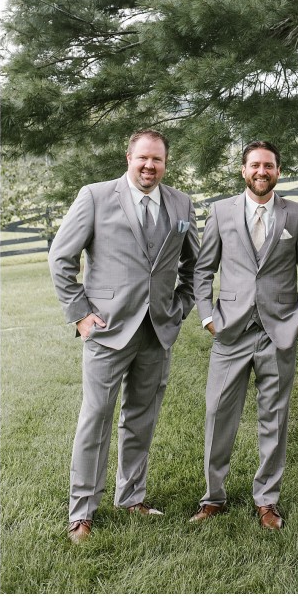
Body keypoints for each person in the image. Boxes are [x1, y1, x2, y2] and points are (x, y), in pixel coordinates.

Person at [49, 129, 199, 544]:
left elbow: (195, 265)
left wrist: (181, 306)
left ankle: (131, 496)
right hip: (107, 329)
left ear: (166, 164)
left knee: (141, 417)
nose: (150, 166)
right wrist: (80, 316)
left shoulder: (181, 203)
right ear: (129, 157)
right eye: (143, 158)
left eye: (158, 160)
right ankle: (82, 510)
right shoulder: (95, 196)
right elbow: (61, 257)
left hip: (157, 330)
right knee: (95, 418)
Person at [190, 140, 298, 529]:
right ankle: (213, 496)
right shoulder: (221, 211)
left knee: (275, 418)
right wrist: (206, 317)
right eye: (254, 166)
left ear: (278, 171)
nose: (261, 172)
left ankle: (267, 500)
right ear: (243, 170)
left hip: (279, 330)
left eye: (268, 166)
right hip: (229, 330)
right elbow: (202, 270)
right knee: (217, 413)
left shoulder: (296, 215)